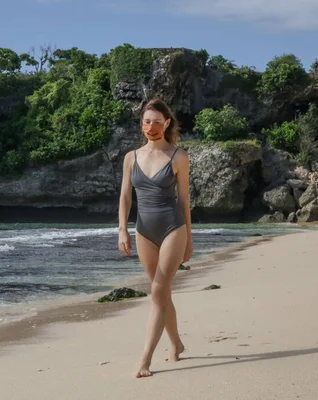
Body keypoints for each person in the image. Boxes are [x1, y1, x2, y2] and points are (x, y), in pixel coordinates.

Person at [117, 98, 193, 378]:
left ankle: (145, 360)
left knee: (158, 291)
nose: (151, 127)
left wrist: (190, 239)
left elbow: (184, 201)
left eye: (156, 122)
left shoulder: (178, 156)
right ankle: (176, 343)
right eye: (146, 121)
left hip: (173, 227)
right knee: (162, 293)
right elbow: (125, 196)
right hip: (143, 231)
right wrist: (122, 229)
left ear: (167, 124)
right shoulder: (131, 157)